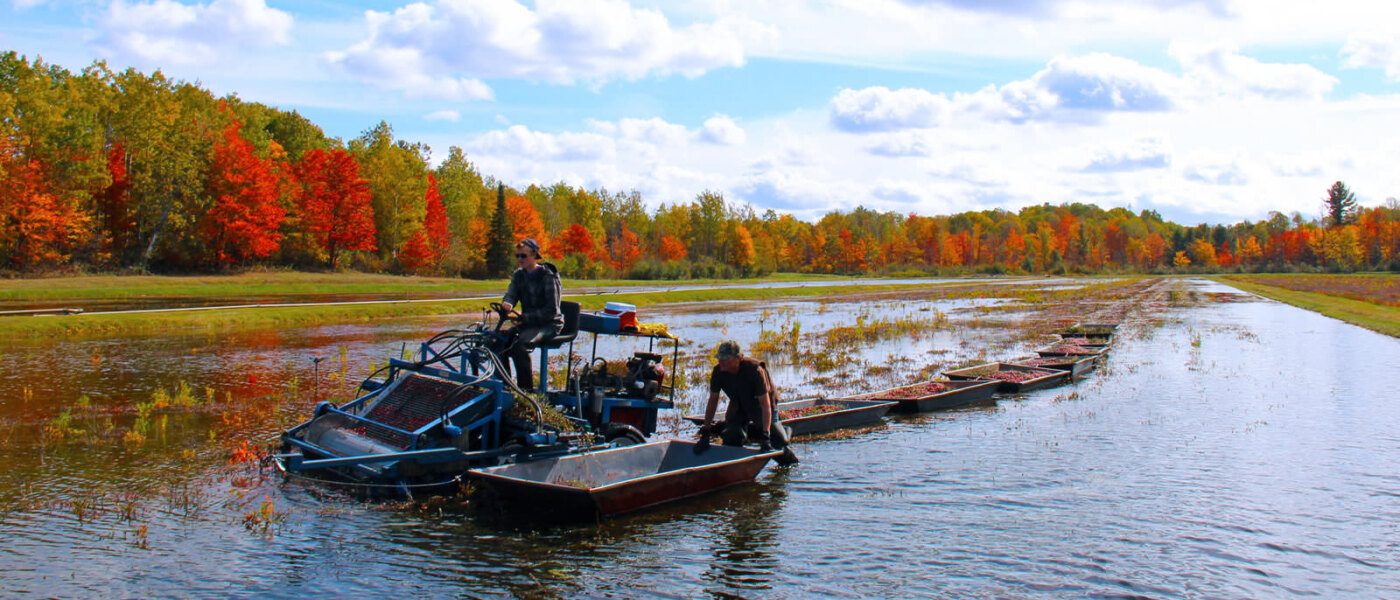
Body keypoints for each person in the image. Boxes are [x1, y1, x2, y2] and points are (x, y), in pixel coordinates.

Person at [700, 340, 798, 464]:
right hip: (739, 403)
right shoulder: (718, 372)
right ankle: (738, 466)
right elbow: (713, 401)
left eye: (726, 359)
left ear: (738, 358)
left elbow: (765, 404)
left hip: (760, 405)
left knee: (777, 442)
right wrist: (706, 429)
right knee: (731, 436)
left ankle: (783, 433)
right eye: (720, 359)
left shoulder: (754, 370)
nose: (722, 362)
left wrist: (766, 435)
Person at [499, 238, 562, 391]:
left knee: (519, 346)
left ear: (534, 255)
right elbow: (511, 294)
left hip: (549, 324)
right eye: (518, 256)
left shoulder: (548, 276)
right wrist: (507, 303)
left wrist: (523, 317)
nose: (520, 259)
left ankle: (526, 392)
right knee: (497, 342)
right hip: (527, 323)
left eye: (524, 256)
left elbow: (551, 310)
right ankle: (504, 388)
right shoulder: (518, 275)